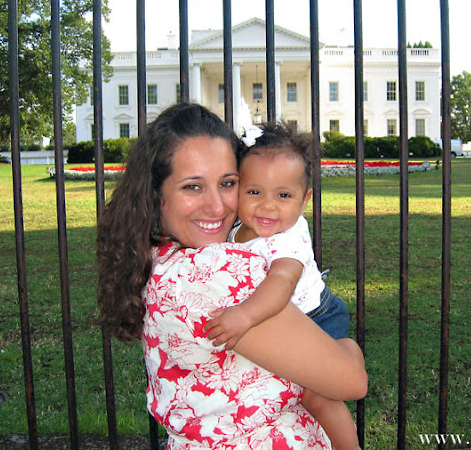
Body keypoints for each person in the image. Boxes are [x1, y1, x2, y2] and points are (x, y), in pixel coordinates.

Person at [97, 102, 367, 450]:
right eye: (192, 187)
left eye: (227, 183)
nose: (217, 206)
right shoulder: (212, 275)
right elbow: (351, 382)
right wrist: (348, 349)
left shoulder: (158, 259)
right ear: (155, 193)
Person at [203, 122, 359, 449]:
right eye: (255, 192)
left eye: (284, 195)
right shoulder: (239, 227)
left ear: (305, 201)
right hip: (285, 319)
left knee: (317, 395)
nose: (268, 206)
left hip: (317, 317)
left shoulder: (289, 238)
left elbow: (281, 282)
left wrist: (244, 316)